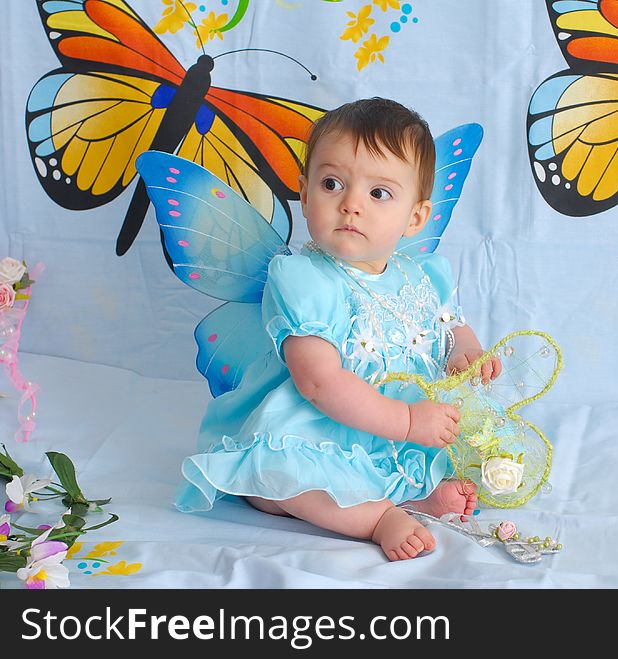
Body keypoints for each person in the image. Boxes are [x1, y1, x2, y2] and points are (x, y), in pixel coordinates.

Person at [174, 98, 501, 560]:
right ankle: (375, 518)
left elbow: (452, 327)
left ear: (415, 218)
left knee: (461, 455)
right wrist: (406, 421)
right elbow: (318, 381)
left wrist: (466, 352)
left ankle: (411, 497)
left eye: (379, 193)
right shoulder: (303, 278)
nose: (351, 205)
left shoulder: (425, 274)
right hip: (319, 424)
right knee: (281, 482)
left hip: (399, 430)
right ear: (305, 195)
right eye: (332, 184)